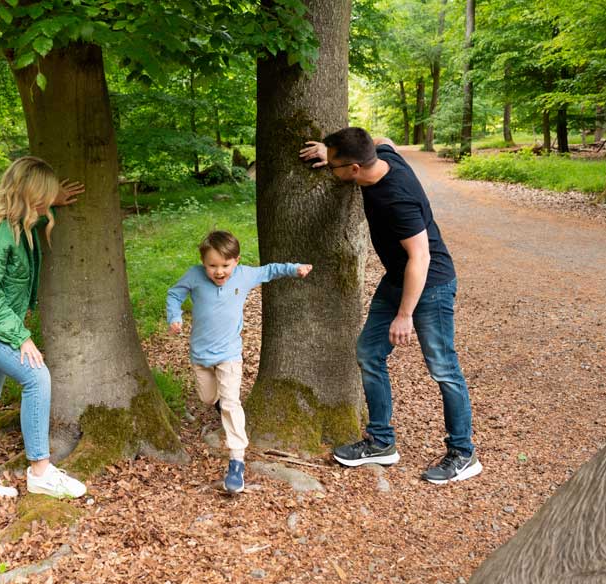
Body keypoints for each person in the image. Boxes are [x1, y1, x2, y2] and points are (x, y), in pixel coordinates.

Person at [299, 127, 482, 484]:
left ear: (353, 169)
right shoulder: (384, 157)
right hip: (398, 278)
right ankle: (381, 442)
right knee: (369, 352)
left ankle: (464, 453)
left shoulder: (395, 198)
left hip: (430, 284)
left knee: (443, 368)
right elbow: (384, 141)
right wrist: (329, 148)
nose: (330, 171)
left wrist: (404, 315)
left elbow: (421, 257)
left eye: (334, 166)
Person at [0, 156, 88, 501]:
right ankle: (40, 471)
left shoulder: (14, 221)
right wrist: (20, 337)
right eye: (43, 198)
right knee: (36, 376)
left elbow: (28, 222)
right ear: (28, 196)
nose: (46, 207)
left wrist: (53, 200)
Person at [167, 231, 312, 493]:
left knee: (231, 404)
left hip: (229, 355)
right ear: (203, 263)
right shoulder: (194, 276)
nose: (219, 271)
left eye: (225, 265)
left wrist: (295, 269)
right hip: (200, 356)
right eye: (212, 266)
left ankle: (237, 461)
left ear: (236, 261)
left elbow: (270, 270)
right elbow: (175, 294)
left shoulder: (244, 275)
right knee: (208, 398)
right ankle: (223, 404)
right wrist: (174, 317)